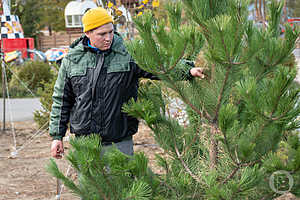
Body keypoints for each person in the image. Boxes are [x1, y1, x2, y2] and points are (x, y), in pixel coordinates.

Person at [50, 7, 205, 159]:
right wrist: (57, 136)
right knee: (87, 185)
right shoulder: (72, 59)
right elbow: (61, 99)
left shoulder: (128, 53)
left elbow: (159, 66)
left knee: (124, 183)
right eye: (102, 34)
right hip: (85, 144)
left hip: (119, 142)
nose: (108, 38)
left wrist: (187, 70)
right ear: (87, 33)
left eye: (111, 31)